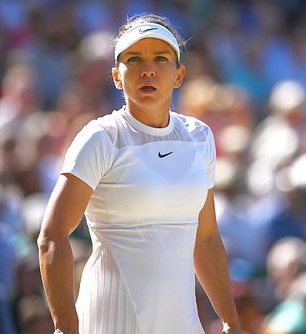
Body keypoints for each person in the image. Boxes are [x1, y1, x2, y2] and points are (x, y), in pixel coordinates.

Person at [38, 13, 241, 334]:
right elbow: (51, 238)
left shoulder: (199, 137)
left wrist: (231, 321)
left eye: (161, 59)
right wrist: (65, 328)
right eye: (134, 59)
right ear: (117, 76)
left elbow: (207, 239)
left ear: (179, 74)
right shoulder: (100, 138)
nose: (148, 69)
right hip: (108, 322)